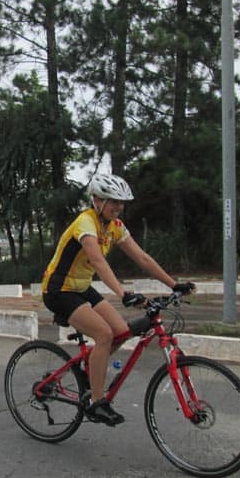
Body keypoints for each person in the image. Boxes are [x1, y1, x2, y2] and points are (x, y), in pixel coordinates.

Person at [42, 174, 194, 426]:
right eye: (114, 201)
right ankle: (96, 402)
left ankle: (92, 366)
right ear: (97, 200)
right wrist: (123, 295)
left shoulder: (115, 227)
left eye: (122, 202)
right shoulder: (86, 222)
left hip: (82, 287)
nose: (119, 207)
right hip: (59, 290)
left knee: (121, 332)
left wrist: (173, 284)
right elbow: (98, 261)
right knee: (104, 334)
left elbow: (142, 258)